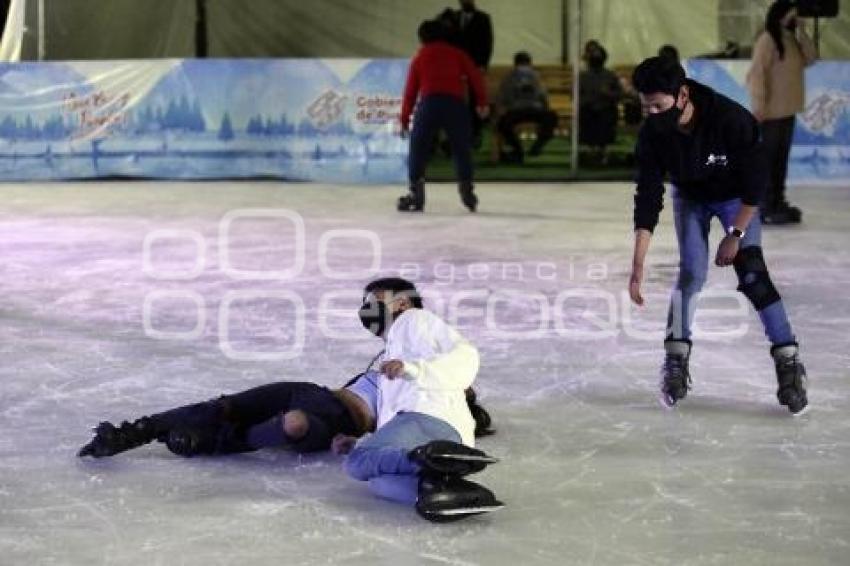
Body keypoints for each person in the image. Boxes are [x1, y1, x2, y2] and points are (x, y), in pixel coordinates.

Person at [628, 56, 808, 415]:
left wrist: (736, 232)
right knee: (692, 273)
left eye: (658, 106)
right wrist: (637, 265)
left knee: (753, 274)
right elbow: (648, 197)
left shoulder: (729, 118)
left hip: (736, 199)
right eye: (645, 106)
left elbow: (758, 182)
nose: (651, 114)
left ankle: (788, 360)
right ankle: (676, 357)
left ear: (681, 95)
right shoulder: (653, 134)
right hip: (691, 198)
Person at [337, 277, 503, 522]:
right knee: (381, 483)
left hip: (427, 416)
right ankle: (439, 487)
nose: (367, 307)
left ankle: (429, 460)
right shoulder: (395, 347)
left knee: (356, 463)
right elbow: (393, 416)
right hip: (432, 429)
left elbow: (466, 356)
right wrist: (362, 443)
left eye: (376, 299)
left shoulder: (413, 320)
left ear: (402, 303)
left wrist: (413, 369)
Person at [78, 372, 494, 459]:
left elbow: (402, 433)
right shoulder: (406, 360)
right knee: (221, 406)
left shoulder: (427, 404)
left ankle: (213, 443)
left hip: (340, 420)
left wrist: (358, 443)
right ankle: (134, 433)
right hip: (313, 390)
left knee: (293, 424)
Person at [399, 19, 488, 213]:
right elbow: (475, 77)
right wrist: (482, 103)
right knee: (460, 148)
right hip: (454, 105)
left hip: (429, 104)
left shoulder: (419, 58)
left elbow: (410, 92)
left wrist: (404, 119)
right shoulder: (458, 54)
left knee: (418, 147)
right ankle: (467, 189)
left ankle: (416, 191)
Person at [746, 0, 816, 225]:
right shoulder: (768, 39)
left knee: (780, 160)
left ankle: (777, 200)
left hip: (787, 111)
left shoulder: (790, 39)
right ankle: (765, 205)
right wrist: (759, 105)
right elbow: (756, 74)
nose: (795, 19)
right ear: (782, 15)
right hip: (770, 113)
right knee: (768, 161)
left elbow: (811, 58)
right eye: (793, 15)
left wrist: (803, 31)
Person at [496, 51, 558, 163]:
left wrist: (507, 108)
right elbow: (543, 96)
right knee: (552, 117)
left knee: (503, 124)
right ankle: (537, 146)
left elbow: (503, 97)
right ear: (530, 63)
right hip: (536, 110)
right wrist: (546, 108)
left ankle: (518, 150)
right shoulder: (536, 75)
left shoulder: (509, 76)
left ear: (515, 63)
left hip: (516, 111)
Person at [578, 40, 622, 164]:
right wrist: (588, 101)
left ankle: (603, 151)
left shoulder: (610, 75)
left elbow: (619, 95)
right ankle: (591, 151)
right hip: (588, 109)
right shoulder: (583, 76)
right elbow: (576, 96)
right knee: (587, 114)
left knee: (607, 115)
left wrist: (608, 94)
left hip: (606, 109)